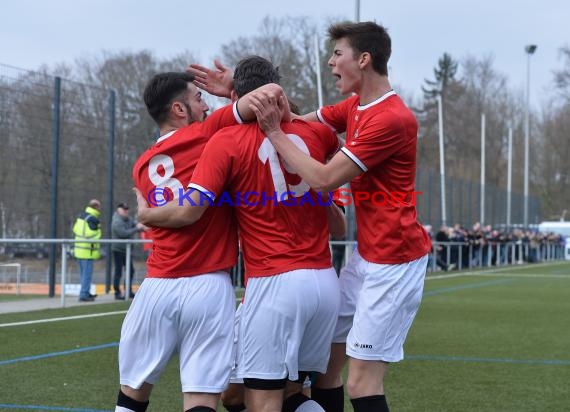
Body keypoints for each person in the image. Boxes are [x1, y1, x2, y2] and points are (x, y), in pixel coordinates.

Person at [136, 56, 345, 412]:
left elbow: (190, 210)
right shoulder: (318, 134)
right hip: (324, 282)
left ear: (236, 95)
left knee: (260, 401)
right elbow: (339, 226)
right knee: (295, 393)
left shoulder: (226, 140)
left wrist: (146, 213)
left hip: (273, 282)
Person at [247, 22, 432, 412]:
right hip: (367, 256)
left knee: (363, 383)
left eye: (337, 54)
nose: (330, 63)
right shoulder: (355, 107)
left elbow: (324, 178)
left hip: (395, 263)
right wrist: (244, 95)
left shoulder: (391, 118)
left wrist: (274, 135)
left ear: (363, 59)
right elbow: (301, 121)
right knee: (325, 369)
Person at [115, 71, 288, 412]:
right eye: (198, 98)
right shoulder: (207, 133)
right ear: (180, 109)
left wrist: (147, 216)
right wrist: (232, 92)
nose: (206, 104)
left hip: (157, 287)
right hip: (207, 286)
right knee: (201, 398)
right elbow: (269, 93)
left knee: (131, 396)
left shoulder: (141, 165)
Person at [111, 202, 147, 300]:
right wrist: (137, 228)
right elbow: (123, 233)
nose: (126, 211)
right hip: (118, 250)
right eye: (124, 209)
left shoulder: (129, 219)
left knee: (130, 271)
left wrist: (143, 227)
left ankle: (128, 291)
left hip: (127, 250)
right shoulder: (116, 221)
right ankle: (117, 292)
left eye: (127, 209)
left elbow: (136, 225)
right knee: (118, 272)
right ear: (119, 210)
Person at [72, 199, 102, 302]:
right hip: (87, 251)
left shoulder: (81, 216)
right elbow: (94, 235)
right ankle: (84, 294)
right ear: (96, 207)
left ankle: (85, 292)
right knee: (87, 275)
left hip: (78, 250)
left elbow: (75, 230)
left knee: (83, 274)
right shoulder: (93, 219)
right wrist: (99, 232)